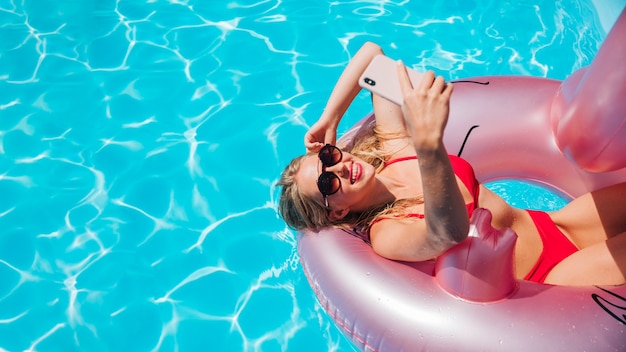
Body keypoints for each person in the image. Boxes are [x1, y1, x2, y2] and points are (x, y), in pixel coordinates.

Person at [277, 42, 626, 286]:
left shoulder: (396, 147)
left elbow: (373, 59)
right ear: (337, 213)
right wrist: (429, 146)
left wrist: (330, 119)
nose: (336, 169)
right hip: (550, 276)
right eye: (327, 184)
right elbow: (446, 233)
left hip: (559, 224)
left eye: (328, 158)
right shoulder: (387, 232)